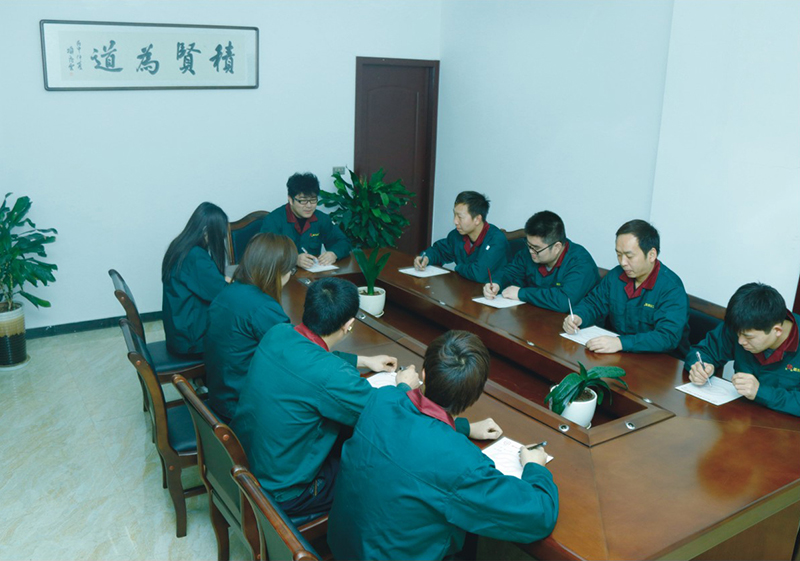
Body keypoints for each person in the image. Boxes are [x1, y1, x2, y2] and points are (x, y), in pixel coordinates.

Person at [327, 330, 559, 561]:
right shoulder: (462, 463)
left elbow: (409, 419)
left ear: (424, 374)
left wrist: (463, 427)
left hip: (344, 549)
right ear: (475, 396)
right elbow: (539, 517)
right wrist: (535, 467)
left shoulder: (382, 399)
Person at [231, 277, 420, 517]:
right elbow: (382, 414)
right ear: (349, 324)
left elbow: (309, 355)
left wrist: (363, 360)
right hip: (287, 491)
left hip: (251, 462)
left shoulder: (277, 333)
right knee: (380, 465)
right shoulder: (332, 374)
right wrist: (404, 387)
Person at [562, 219, 689, 357]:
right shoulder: (615, 276)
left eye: (629, 256)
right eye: (619, 254)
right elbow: (594, 303)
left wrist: (621, 343)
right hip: (620, 354)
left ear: (651, 255)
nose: (623, 262)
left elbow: (667, 337)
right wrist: (578, 317)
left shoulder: (671, 288)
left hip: (659, 361)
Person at [204, 233, 296, 423]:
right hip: (242, 407)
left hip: (220, 394)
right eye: (291, 269)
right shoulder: (264, 308)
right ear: (278, 271)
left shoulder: (229, 291)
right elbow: (296, 359)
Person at [686, 283, 800, 417]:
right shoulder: (741, 324)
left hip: (783, 425)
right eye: (738, 334)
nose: (740, 341)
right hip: (739, 417)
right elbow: (702, 351)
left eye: (748, 337)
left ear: (777, 331)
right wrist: (700, 367)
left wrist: (760, 392)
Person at [483, 210, 599, 312]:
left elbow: (564, 301)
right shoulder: (530, 252)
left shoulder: (581, 263)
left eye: (536, 248)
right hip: (534, 316)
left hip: (571, 324)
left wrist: (521, 293)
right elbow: (510, 272)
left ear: (557, 247)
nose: (530, 251)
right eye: (528, 245)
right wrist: (496, 283)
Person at [162, 202, 229, 356]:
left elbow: (208, 283)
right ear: (206, 231)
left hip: (179, 334)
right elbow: (222, 295)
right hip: (191, 342)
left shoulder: (181, 246)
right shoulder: (196, 256)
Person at [259, 172, 350, 269]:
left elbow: (343, 241)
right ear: (290, 200)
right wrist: (294, 259)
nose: (309, 206)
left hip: (312, 274)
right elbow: (265, 253)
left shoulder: (321, 219)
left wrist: (334, 253)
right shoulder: (273, 220)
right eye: (303, 201)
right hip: (282, 274)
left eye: (313, 200)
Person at [414, 191, 508, 283]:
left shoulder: (496, 240)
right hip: (466, 288)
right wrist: (427, 257)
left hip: (493, 291)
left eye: (460, 217)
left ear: (477, 219)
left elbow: (479, 274)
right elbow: (440, 251)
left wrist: (458, 267)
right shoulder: (457, 235)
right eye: (454, 215)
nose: (455, 221)